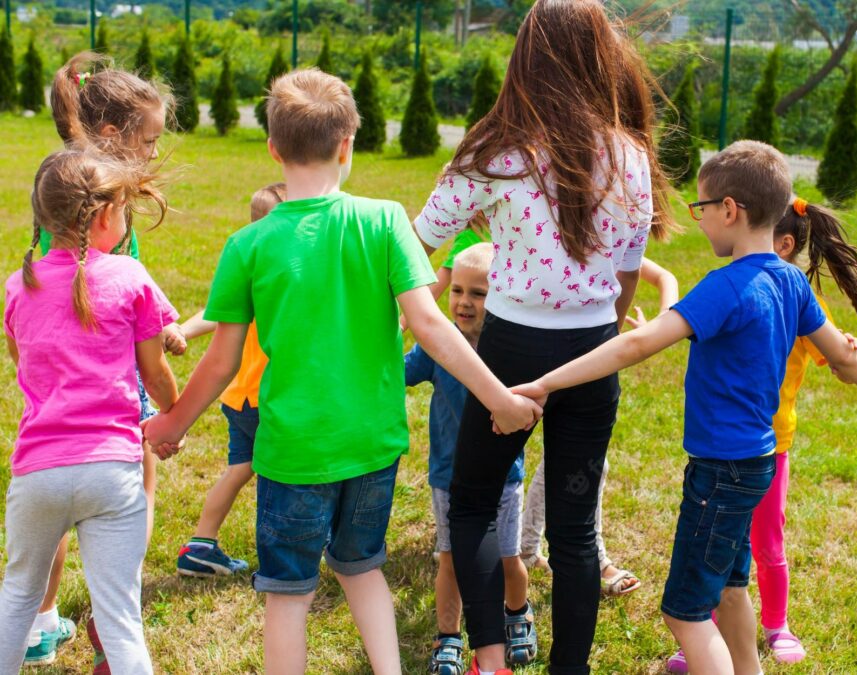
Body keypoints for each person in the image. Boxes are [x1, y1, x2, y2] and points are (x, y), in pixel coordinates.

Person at [142, 69, 540, 675]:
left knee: (289, 594)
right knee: (362, 569)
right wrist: (499, 399)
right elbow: (432, 327)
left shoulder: (248, 245)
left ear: (272, 147)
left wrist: (172, 423)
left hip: (292, 453)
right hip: (372, 448)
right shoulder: (385, 221)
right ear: (348, 145)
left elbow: (221, 361)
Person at [512, 140, 857, 675]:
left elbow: (634, 347)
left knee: (686, 613)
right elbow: (843, 357)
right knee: (733, 588)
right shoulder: (790, 282)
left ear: (730, 210)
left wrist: (546, 382)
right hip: (756, 466)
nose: (701, 220)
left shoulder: (724, 287)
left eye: (702, 209)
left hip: (719, 475)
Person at [411, 2, 675, 672]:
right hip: (592, 354)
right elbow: (624, 280)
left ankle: (492, 658)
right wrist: (598, 349)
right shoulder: (630, 154)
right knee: (576, 530)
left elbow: (420, 242)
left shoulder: (496, 147)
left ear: (524, 55)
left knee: (470, 506)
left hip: (509, 352)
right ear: (600, 56)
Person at [666, 195, 857, 671]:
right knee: (726, 568)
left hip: (747, 456)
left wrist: (548, 381)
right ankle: (723, 651)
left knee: (723, 579)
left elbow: (842, 358)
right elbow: (682, 325)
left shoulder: (766, 291)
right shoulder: (766, 288)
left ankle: (769, 627)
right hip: (746, 454)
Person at [21, 52, 182, 669]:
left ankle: (40, 622)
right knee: (132, 495)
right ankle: (119, 617)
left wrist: (156, 323)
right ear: (114, 136)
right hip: (110, 378)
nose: (153, 153)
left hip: (58, 382)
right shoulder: (106, 192)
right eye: (150, 140)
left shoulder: (64, 178)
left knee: (56, 507)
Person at [405, 243, 535, 673]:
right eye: (457, 290)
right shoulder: (439, 345)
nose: (463, 301)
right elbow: (402, 372)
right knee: (450, 559)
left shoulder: (509, 348)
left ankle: (517, 613)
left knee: (507, 556)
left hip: (504, 475)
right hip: (448, 475)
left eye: (478, 293)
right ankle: (448, 637)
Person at [519, 257, 679, 595]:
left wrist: (663, 319)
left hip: (587, 362)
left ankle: (538, 550)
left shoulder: (614, 233)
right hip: (542, 347)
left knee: (582, 463)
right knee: (568, 463)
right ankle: (527, 549)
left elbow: (662, 274)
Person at [170, 183, 287, 577]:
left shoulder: (250, 267)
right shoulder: (280, 274)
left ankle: (201, 545)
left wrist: (183, 330)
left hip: (237, 397)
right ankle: (280, 555)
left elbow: (217, 312)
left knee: (240, 469)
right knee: (280, 475)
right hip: (266, 399)